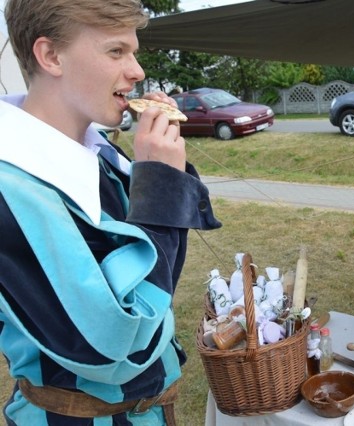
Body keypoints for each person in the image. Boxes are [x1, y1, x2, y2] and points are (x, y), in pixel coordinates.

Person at [0, 0, 221, 424]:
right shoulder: (13, 191)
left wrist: (160, 174)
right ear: (50, 56)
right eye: (116, 51)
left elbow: (157, 283)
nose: (137, 71)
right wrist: (158, 187)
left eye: (133, 52)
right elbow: (118, 345)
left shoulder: (102, 159)